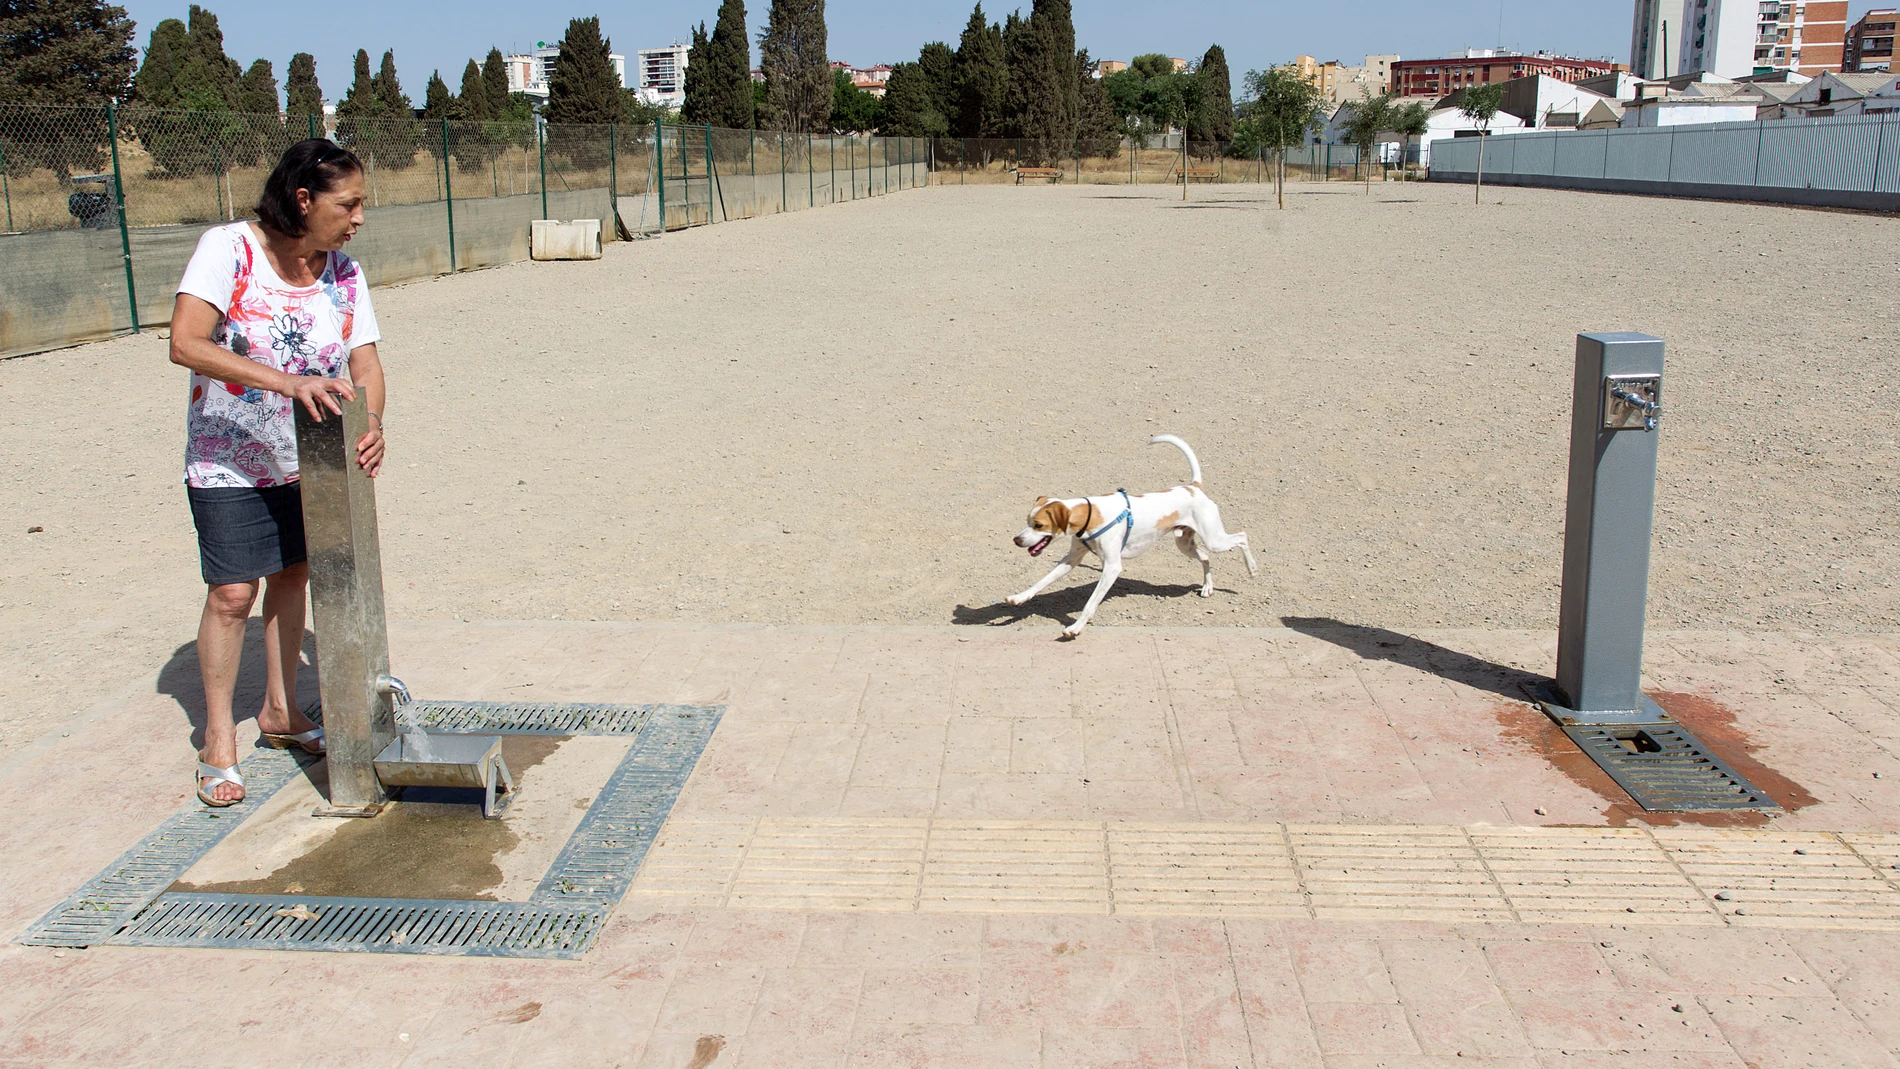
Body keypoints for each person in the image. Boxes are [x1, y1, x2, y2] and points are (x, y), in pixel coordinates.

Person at [168, 139, 386, 807]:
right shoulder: (228, 250)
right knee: (233, 594)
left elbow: (367, 365)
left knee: (293, 578)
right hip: (227, 458)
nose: (357, 219)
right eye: (347, 204)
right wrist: (287, 384)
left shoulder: (345, 275)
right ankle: (217, 742)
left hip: (308, 464)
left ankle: (281, 712)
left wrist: (372, 424)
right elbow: (185, 343)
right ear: (303, 199)